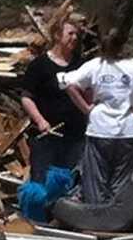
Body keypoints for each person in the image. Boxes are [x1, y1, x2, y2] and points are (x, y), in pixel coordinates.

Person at [62, 38, 133, 205]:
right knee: (121, 179)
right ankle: (115, 212)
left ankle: (96, 214)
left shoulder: (96, 64)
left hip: (99, 129)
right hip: (127, 130)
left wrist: (87, 109)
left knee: (96, 179)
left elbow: (68, 84)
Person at [20, 21, 87, 182]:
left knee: (66, 183)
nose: (75, 38)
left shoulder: (81, 65)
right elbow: (26, 97)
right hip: (46, 136)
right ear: (57, 36)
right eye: (70, 33)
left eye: (76, 34)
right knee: (41, 182)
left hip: (74, 136)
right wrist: (41, 121)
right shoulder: (39, 65)